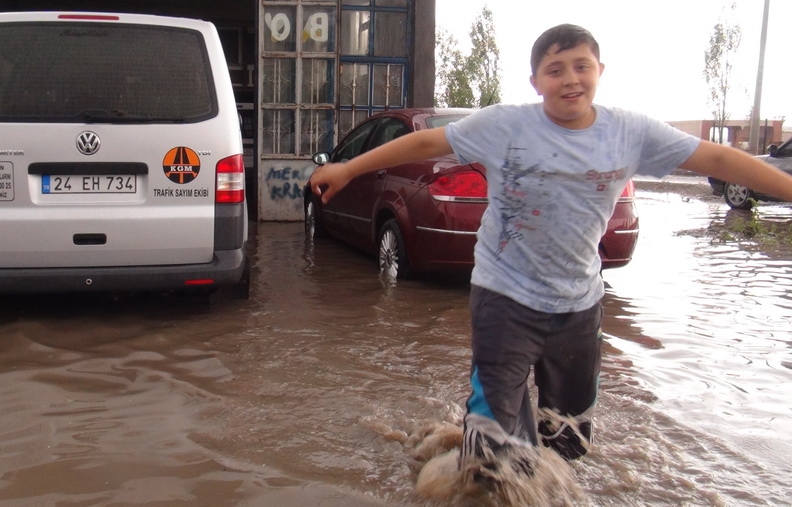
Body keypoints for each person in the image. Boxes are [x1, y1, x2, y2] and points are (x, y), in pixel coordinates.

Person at [308, 24, 792, 473]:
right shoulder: (505, 126)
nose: (570, 80)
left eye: (582, 66)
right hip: (503, 299)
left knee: (570, 443)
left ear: (600, 71)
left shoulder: (631, 132)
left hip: (578, 306)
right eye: (555, 70)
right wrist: (349, 169)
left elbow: (720, 157)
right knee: (493, 451)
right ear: (536, 81)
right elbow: (424, 144)